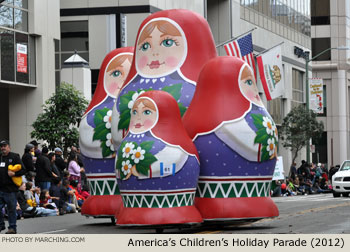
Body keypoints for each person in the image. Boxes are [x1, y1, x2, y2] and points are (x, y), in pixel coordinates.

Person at [0, 140, 26, 234]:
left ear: (9, 147)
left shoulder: (15, 156)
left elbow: (23, 170)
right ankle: (1, 225)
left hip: (11, 189)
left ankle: (12, 228)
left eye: (5, 146)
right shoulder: (0, 157)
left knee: (11, 209)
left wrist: (15, 173)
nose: (3, 148)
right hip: (1, 188)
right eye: (1, 146)